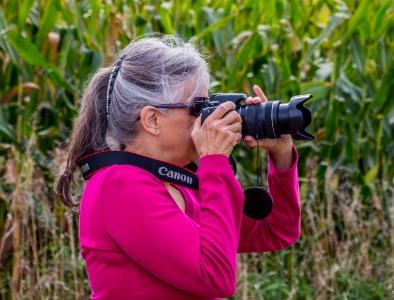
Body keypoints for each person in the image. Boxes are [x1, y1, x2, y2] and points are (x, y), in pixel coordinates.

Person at [55, 36, 301, 300]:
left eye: (209, 103)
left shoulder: (179, 183)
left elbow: (275, 230)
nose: (207, 119)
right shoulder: (119, 184)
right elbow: (215, 277)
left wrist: (282, 154)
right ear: (152, 119)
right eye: (198, 107)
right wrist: (214, 161)